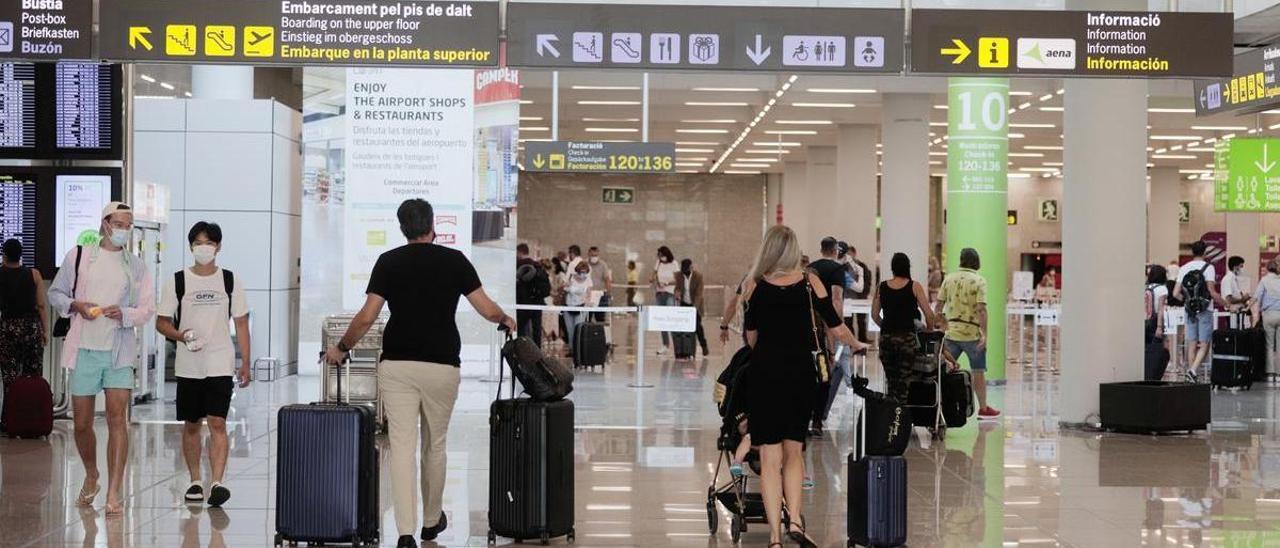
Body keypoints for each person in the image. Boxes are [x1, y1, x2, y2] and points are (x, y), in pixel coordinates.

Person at [323, 199, 515, 548]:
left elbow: (367, 317)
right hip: (442, 365)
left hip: (398, 365)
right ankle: (431, 522)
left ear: (402, 228)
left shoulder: (389, 262)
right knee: (435, 446)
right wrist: (504, 319)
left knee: (401, 447)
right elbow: (485, 307)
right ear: (433, 227)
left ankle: (407, 532)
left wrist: (342, 348)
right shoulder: (455, 261)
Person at [739, 225, 865, 548]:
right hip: (800, 375)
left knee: (769, 457)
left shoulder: (755, 286)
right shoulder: (811, 283)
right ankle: (794, 517)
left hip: (765, 375)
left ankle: (775, 538)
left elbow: (751, 338)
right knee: (794, 450)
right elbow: (835, 327)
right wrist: (857, 343)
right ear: (794, 250)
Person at [48, 202, 155, 516]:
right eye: (119, 223)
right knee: (81, 423)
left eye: (128, 224)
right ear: (105, 223)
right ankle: (92, 475)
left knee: (117, 419)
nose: (123, 229)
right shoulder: (79, 256)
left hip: (119, 351)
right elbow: (56, 293)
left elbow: (147, 309)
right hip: (84, 350)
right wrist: (76, 305)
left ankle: (114, 490)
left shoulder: (135, 266)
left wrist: (124, 313)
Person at [155, 222, 250, 507]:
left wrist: (245, 361)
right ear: (190, 247)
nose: (203, 248)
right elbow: (161, 322)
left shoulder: (230, 281)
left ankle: (218, 482)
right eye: (197, 242)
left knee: (218, 422)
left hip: (220, 362)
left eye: (208, 242)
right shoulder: (178, 281)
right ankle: (196, 479)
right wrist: (180, 336)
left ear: (218, 246)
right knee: (192, 423)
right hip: (188, 365)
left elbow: (242, 324)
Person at [934, 248, 1000, 420]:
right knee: (978, 371)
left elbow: (938, 307)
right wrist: (985, 334)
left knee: (944, 371)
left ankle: (939, 406)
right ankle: (983, 408)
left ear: (961, 260)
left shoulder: (948, 279)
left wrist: (941, 326)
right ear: (977, 261)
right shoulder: (979, 281)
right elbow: (982, 310)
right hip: (972, 335)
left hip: (951, 333)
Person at [871, 253, 940, 403]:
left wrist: (887, 327)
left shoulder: (881, 287)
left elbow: (874, 315)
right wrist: (929, 331)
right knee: (904, 384)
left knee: (891, 383)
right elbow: (929, 314)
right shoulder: (914, 286)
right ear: (908, 267)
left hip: (886, 341)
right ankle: (901, 421)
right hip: (906, 342)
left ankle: (891, 419)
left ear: (893, 268)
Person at [0, 238, 48, 433]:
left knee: (9, 378)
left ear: (4, 254)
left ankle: (8, 422)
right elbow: (42, 306)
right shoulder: (34, 274)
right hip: (31, 328)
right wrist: (44, 331)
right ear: (21, 255)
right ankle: (33, 421)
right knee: (33, 376)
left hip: (7, 328)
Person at [806, 237, 846, 437]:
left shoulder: (810, 269)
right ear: (835, 250)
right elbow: (837, 300)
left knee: (808, 378)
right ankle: (817, 421)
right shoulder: (837, 270)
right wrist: (838, 328)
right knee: (824, 376)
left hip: (806, 334)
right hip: (822, 334)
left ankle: (806, 418)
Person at [1173, 241, 1228, 383]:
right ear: (1204, 252)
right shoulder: (1209, 268)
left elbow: (1175, 293)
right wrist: (1226, 304)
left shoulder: (1184, 267)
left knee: (1191, 343)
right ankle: (1192, 371)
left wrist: (1187, 301)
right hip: (1205, 309)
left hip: (1189, 310)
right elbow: (1212, 291)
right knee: (1204, 344)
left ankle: (1191, 375)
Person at [1251, 258, 1280, 379]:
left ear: (1267, 268)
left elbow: (1257, 296)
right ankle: (1279, 372)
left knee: (1269, 344)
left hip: (1269, 314)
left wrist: (1248, 305)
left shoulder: (1264, 280)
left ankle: (1270, 372)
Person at [516, 244, 550, 346]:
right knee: (537, 328)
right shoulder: (537, 265)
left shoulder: (517, 265)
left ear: (519, 252)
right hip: (537, 302)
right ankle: (537, 352)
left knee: (521, 328)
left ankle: (521, 350)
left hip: (522, 302)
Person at [676, 258, 710, 356]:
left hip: (695, 305)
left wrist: (694, 308)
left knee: (697, 327)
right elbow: (677, 288)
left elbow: (699, 294)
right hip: (684, 304)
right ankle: (689, 351)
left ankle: (704, 345)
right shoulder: (679, 276)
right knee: (685, 329)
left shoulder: (698, 276)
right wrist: (677, 293)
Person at [650, 246, 680, 354]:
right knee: (662, 320)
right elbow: (653, 274)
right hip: (659, 293)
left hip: (670, 293)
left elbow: (678, 279)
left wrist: (667, 283)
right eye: (659, 256)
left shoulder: (674, 264)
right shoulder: (658, 263)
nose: (660, 257)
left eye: (662, 255)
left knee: (670, 319)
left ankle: (677, 344)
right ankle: (665, 344)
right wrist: (654, 280)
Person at [563, 260, 593, 355]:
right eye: (581, 272)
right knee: (570, 331)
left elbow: (589, 293)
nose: (583, 274)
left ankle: (578, 350)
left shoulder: (588, 280)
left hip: (580, 307)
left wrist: (588, 303)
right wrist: (567, 287)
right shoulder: (571, 277)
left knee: (578, 330)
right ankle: (572, 350)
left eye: (585, 272)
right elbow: (564, 287)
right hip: (568, 307)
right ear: (577, 271)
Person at [586, 246, 613, 323]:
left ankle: (600, 334)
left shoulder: (603, 265)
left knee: (600, 318)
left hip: (600, 294)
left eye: (596, 255)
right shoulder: (584, 264)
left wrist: (609, 293)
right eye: (592, 255)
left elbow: (607, 279)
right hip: (588, 294)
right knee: (587, 317)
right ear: (588, 254)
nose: (594, 257)